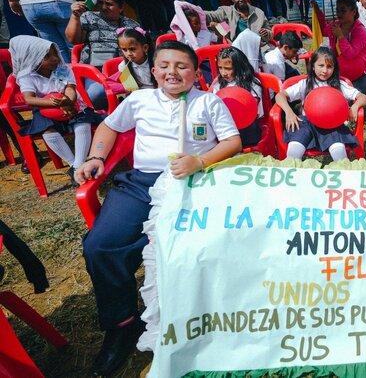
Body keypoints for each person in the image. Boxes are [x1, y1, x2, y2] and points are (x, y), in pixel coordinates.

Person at [76, 41, 240, 376]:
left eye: (182, 66)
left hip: (194, 182)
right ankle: (122, 324)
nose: (172, 72)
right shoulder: (139, 100)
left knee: (201, 247)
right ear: (153, 71)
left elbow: (232, 141)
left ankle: (208, 318)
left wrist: (199, 161)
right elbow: (110, 126)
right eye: (164, 65)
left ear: (195, 72)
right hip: (143, 183)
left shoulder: (208, 102)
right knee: (101, 246)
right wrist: (95, 156)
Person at [11, 35, 102, 181]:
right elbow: (29, 99)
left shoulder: (62, 69)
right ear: (32, 58)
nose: (54, 58)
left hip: (70, 103)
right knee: (47, 131)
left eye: (55, 54)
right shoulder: (27, 76)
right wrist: (54, 104)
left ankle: (77, 165)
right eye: (47, 56)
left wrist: (68, 101)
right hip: (44, 108)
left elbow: (70, 88)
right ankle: (73, 164)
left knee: (82, 123)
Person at [275, 46, 366, 161]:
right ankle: (292, 169)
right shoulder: (305, 83)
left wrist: (355, 106)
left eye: (329, 66)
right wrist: (289, 112)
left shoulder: (339, 85)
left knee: (339, 153)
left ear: (334, 68)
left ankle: (342, 169)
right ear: (313, 66)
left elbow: (363, 97)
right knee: (294, 151)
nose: (325, 70)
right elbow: (280, 96)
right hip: (306, 123)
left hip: (332, 126)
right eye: (321, 65)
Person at [312, 0, 366, 94]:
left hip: (361, 74)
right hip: (338, 73)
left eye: (343, 11)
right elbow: (323, 30)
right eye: (337, 10)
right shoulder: (336, 25)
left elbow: (350, 54)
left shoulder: (360, 31)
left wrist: (340, 36)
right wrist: (317, 11)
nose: (339, 14)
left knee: (348, 98)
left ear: (353, 12)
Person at [67, 0, 139, 68]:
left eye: (109, 4)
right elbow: (73, 40)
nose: (104, 7)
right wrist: (75, 16)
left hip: (122, 69)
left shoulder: (131, 25)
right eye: (100, 3)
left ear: (121, 7)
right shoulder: (89, 17)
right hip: (92, 69)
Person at [210, 46, 263, 147]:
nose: (223, 73)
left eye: (228, 69)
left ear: (239, 67)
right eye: (220, 68)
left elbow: (252, 108)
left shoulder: (251, 84)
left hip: (247, 127)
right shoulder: (219, 84)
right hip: (225, 126)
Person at [204, 0, 270, 43]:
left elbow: (269, 31)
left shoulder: (258, 12)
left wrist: (266, 33)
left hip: (258, 46)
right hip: (236, 48)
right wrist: (198, 10)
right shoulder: (226, 11)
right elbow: (210, 15)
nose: (241, 0)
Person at [110, 27, 155, 93]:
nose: (129, 54)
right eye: (124, 50)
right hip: (137, 94)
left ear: (145, 48)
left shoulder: (157, 63)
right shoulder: (123, 66)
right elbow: (130, 88)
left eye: (132, 49)